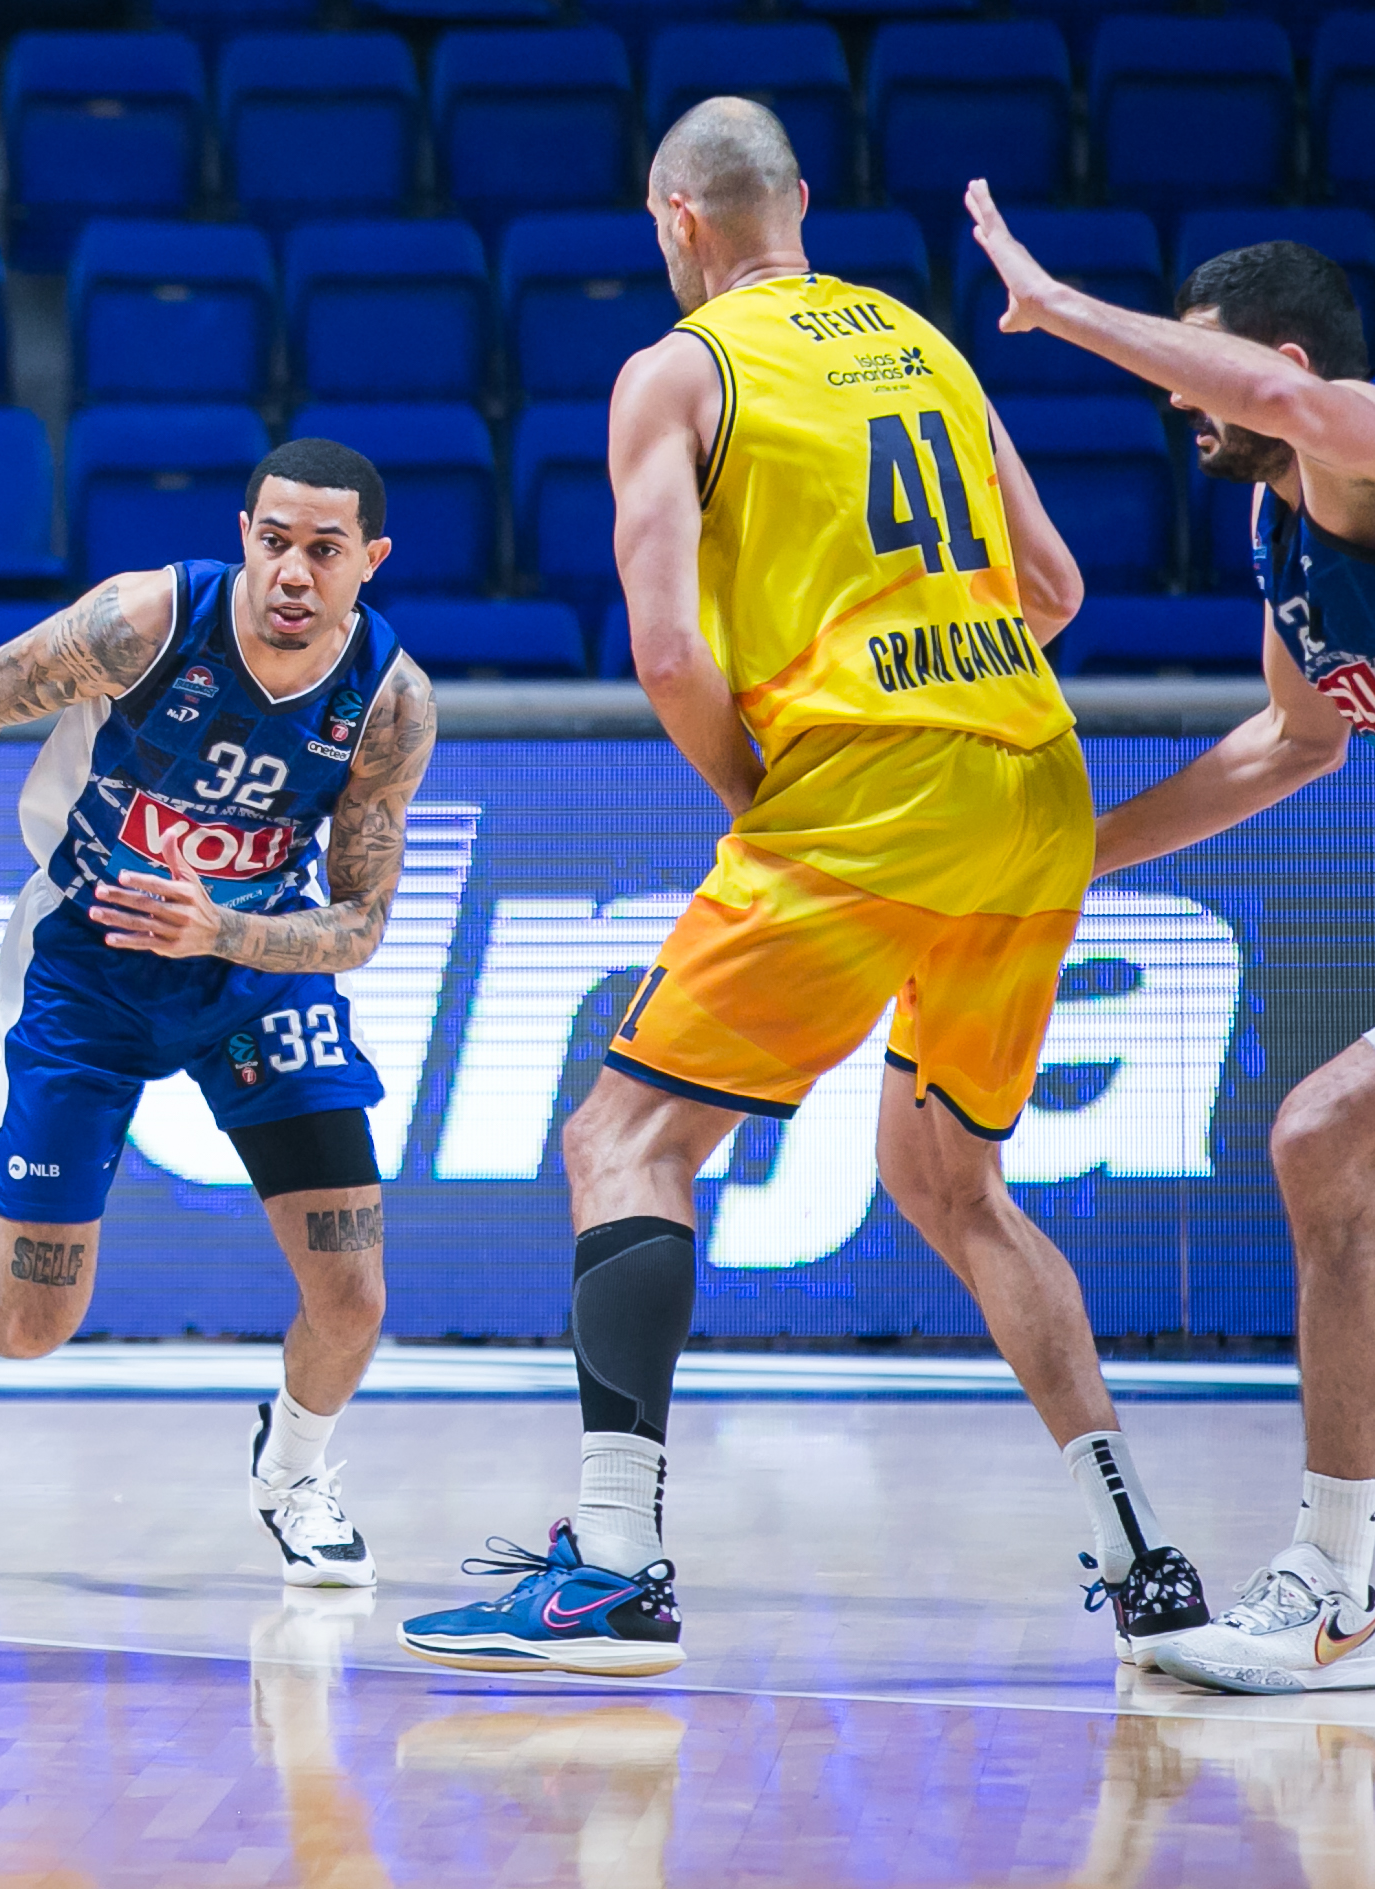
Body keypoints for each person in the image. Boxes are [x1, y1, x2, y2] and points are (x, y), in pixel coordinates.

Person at [397, 101, 1209, 1677]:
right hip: (1032, 776)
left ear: (671, 219)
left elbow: (661, 645)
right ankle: (1138, 1556)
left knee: (623, 1136)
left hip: (861, 794)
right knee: (952, 1184)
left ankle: (614, 1566)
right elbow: (1051, 590)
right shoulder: (920, 342)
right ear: (797, 206)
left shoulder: (674, 370)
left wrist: (775, 801)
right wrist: (938, 684)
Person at [0, 437, 437, 1588]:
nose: (292, 570)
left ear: (369, 561)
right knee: (36, 1316)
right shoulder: (143, 622)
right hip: (81, 968)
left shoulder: (388, 703)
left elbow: (359, 922)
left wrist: (225, 933)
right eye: (273, 541)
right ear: (243, 535)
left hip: (250, 971)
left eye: (324, 548)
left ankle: (294, 1471)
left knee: (352, 1290)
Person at [963, 189, 1375, 1696]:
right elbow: (1291, 741)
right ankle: (1341, 1570)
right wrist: (1071, 862)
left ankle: (1338, 1574)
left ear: (1270, 366)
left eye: (1190, 372)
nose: (1177, 406)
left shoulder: (1355, 437)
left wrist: (1054, 305)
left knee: (1324, 1138)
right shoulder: (1281, 522)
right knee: (1328, 1150)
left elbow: (1276, 396)